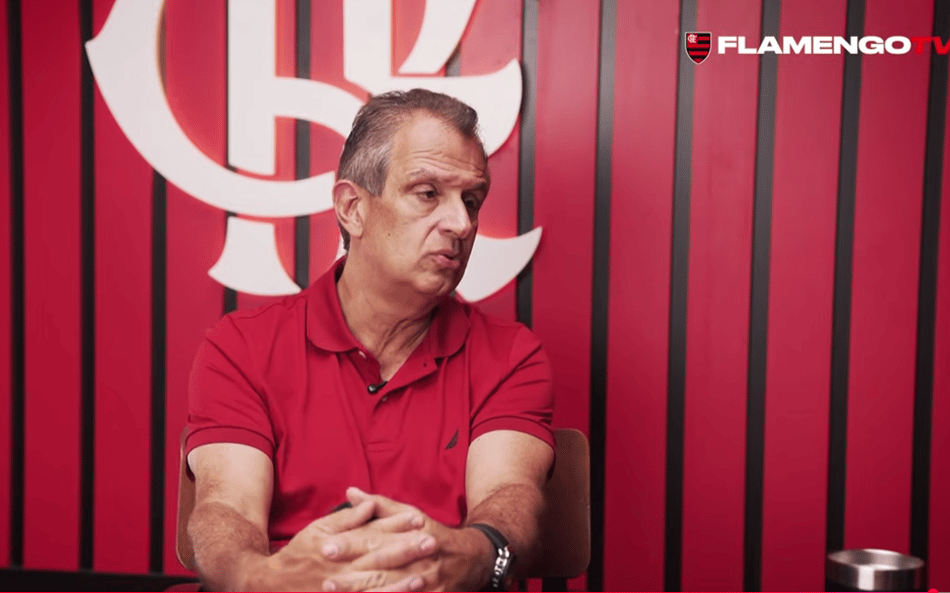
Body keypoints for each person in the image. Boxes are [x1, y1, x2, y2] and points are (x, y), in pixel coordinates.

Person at [185, 89, 555, 591]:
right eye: (428, 194)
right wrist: (262, 580)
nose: (462, 224)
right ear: (352, 208)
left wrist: (467, 556)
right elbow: (226, 508)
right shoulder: (241, 346)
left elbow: (509, 496)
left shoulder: (512, 356)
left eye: (471, 200)